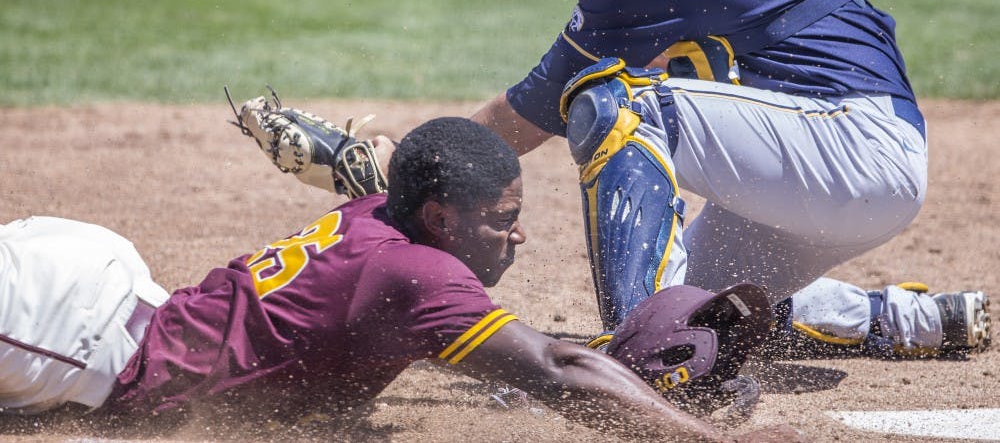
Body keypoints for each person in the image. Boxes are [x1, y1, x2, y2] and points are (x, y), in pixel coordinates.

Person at [469, 0, 991, 357]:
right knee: (705, 309)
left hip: (843, 152)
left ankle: (642, 357)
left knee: (614, 105)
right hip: (854, 157)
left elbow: (533, 111)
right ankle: (901, 319)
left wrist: (419, 163)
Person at [0, 117, 795, 442]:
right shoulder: (420, 276)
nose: (517, 232)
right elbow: (559, 370)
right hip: (72, 330)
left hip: (98, 289)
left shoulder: (393, 213)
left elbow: (386, 170)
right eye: (499, 216)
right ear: (441, 218)